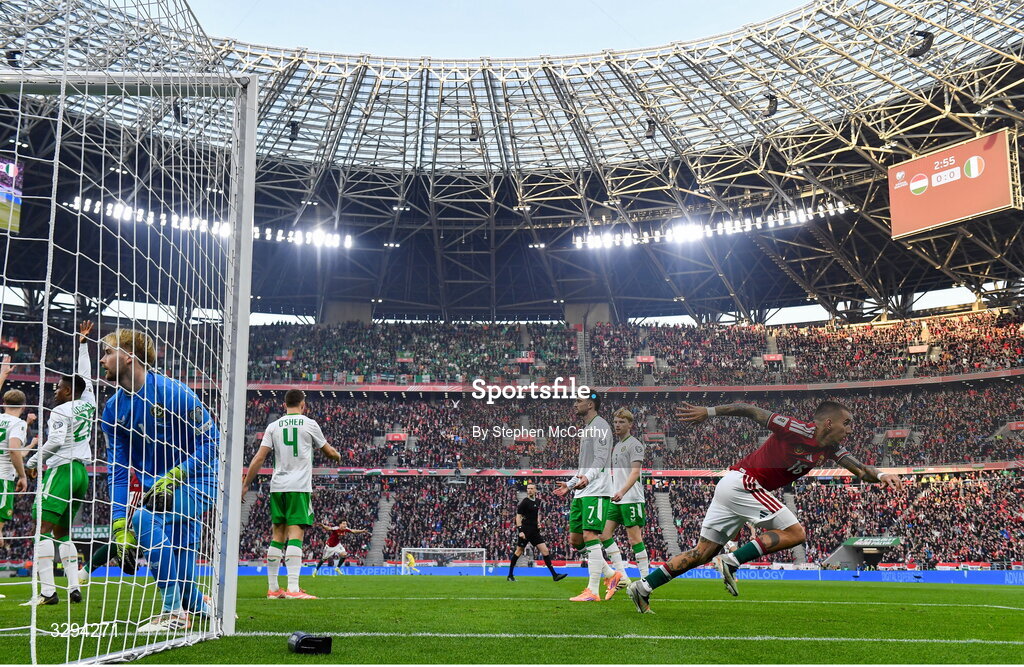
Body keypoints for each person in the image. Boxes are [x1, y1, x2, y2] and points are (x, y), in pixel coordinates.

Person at [627, 400, 902, 613]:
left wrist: (881, 475)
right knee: (796, 533)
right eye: (847, 423)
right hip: (743, 483)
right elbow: (749, 409)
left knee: (701, 554)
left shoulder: (831, 448)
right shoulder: (797, 429)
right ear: (829, 423)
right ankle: (731, 560)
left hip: (734, 488)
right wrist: (708, 412)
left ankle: (643, 587)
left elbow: (861, 470)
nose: (850, 429)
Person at [100, 326, 220, 632]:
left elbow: (212, 442)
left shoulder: (174, 393)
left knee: (143, 518)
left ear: (129, 357)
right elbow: (118, 471)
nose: (102, 359)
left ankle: (172, 614)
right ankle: (196, 604)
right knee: (181, 558)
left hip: (198, 478)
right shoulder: (112, 411)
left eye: (108, 352)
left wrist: (177, 474)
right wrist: (118, 524)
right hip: (157, 489)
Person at [21, 321, 95, 607]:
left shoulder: (61, 410)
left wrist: (33, 459)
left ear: (67, 391)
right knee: (63, 533)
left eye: (59, 388)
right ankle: (74, 587)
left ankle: (48, 593)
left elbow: (55, 441)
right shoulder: (89, 402)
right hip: (82, 473)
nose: (55, 391)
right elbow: (85, 377)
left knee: (41, 528)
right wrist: (83, 346)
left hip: (62, 469)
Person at [242, 389, 341, 599]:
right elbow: (329, 452)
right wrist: (338, 456)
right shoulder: (309, 424)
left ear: (284, 405)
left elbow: (259, 457)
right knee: (296, 533)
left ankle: (273, 589)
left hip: (277, 486)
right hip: (299, 486)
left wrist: (246, 484)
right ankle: (293, 589)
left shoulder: (273, 426)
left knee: (277, 535)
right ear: (303, 404)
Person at [554, 393, 613, 602]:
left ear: (590, 404)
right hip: (582, 490)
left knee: (590, 535)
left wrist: (588, 478)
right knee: (576, 540)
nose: (575, 404)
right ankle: (611, 574)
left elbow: (601, 459)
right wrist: (570, 485)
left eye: (579, 401)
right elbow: (583, 467)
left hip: (596, 489)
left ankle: (593, 591)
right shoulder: (587, 428)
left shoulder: (601, 426)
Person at [600, 407, 648, 600]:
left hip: (631, 498)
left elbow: (635, 473)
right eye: (616, 422)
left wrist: (622, 491)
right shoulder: (617, 446)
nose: (617, 425)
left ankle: (646, 582)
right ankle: (623, 577)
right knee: (603, 534)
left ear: (630, 424)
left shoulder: (635, 445)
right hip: (617, 498)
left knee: (635, 540)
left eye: (621, 422)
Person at [506, 483, 567, 582]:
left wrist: (538, 522)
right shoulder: (524, 502)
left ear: (535, 490)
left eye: (531, 488)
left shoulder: (538, 501)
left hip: (534, 531)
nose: (529, 490)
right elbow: (518, 516)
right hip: (525, 531)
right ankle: (510, 575)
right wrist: (520, 531)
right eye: (528, 488)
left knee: (545, 551)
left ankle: (555, 575)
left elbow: (536, 514)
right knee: (518, 552)